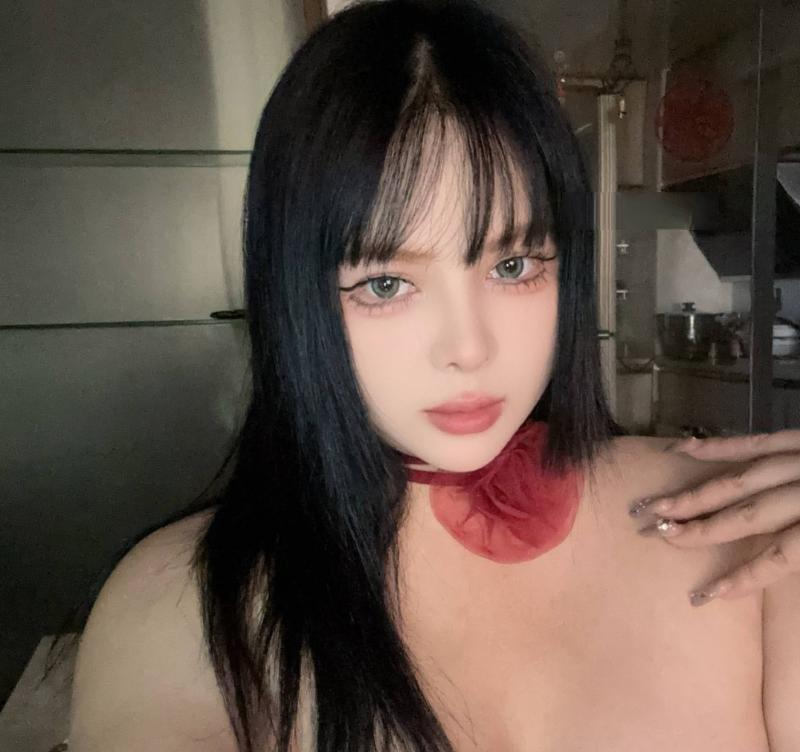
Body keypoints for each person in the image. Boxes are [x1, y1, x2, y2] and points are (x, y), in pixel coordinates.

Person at [49, 0, 800, 750]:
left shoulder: (750, 528)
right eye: (385, 284)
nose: (468, 349)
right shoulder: (179, 612)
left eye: (513, 266)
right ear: (294, 297)